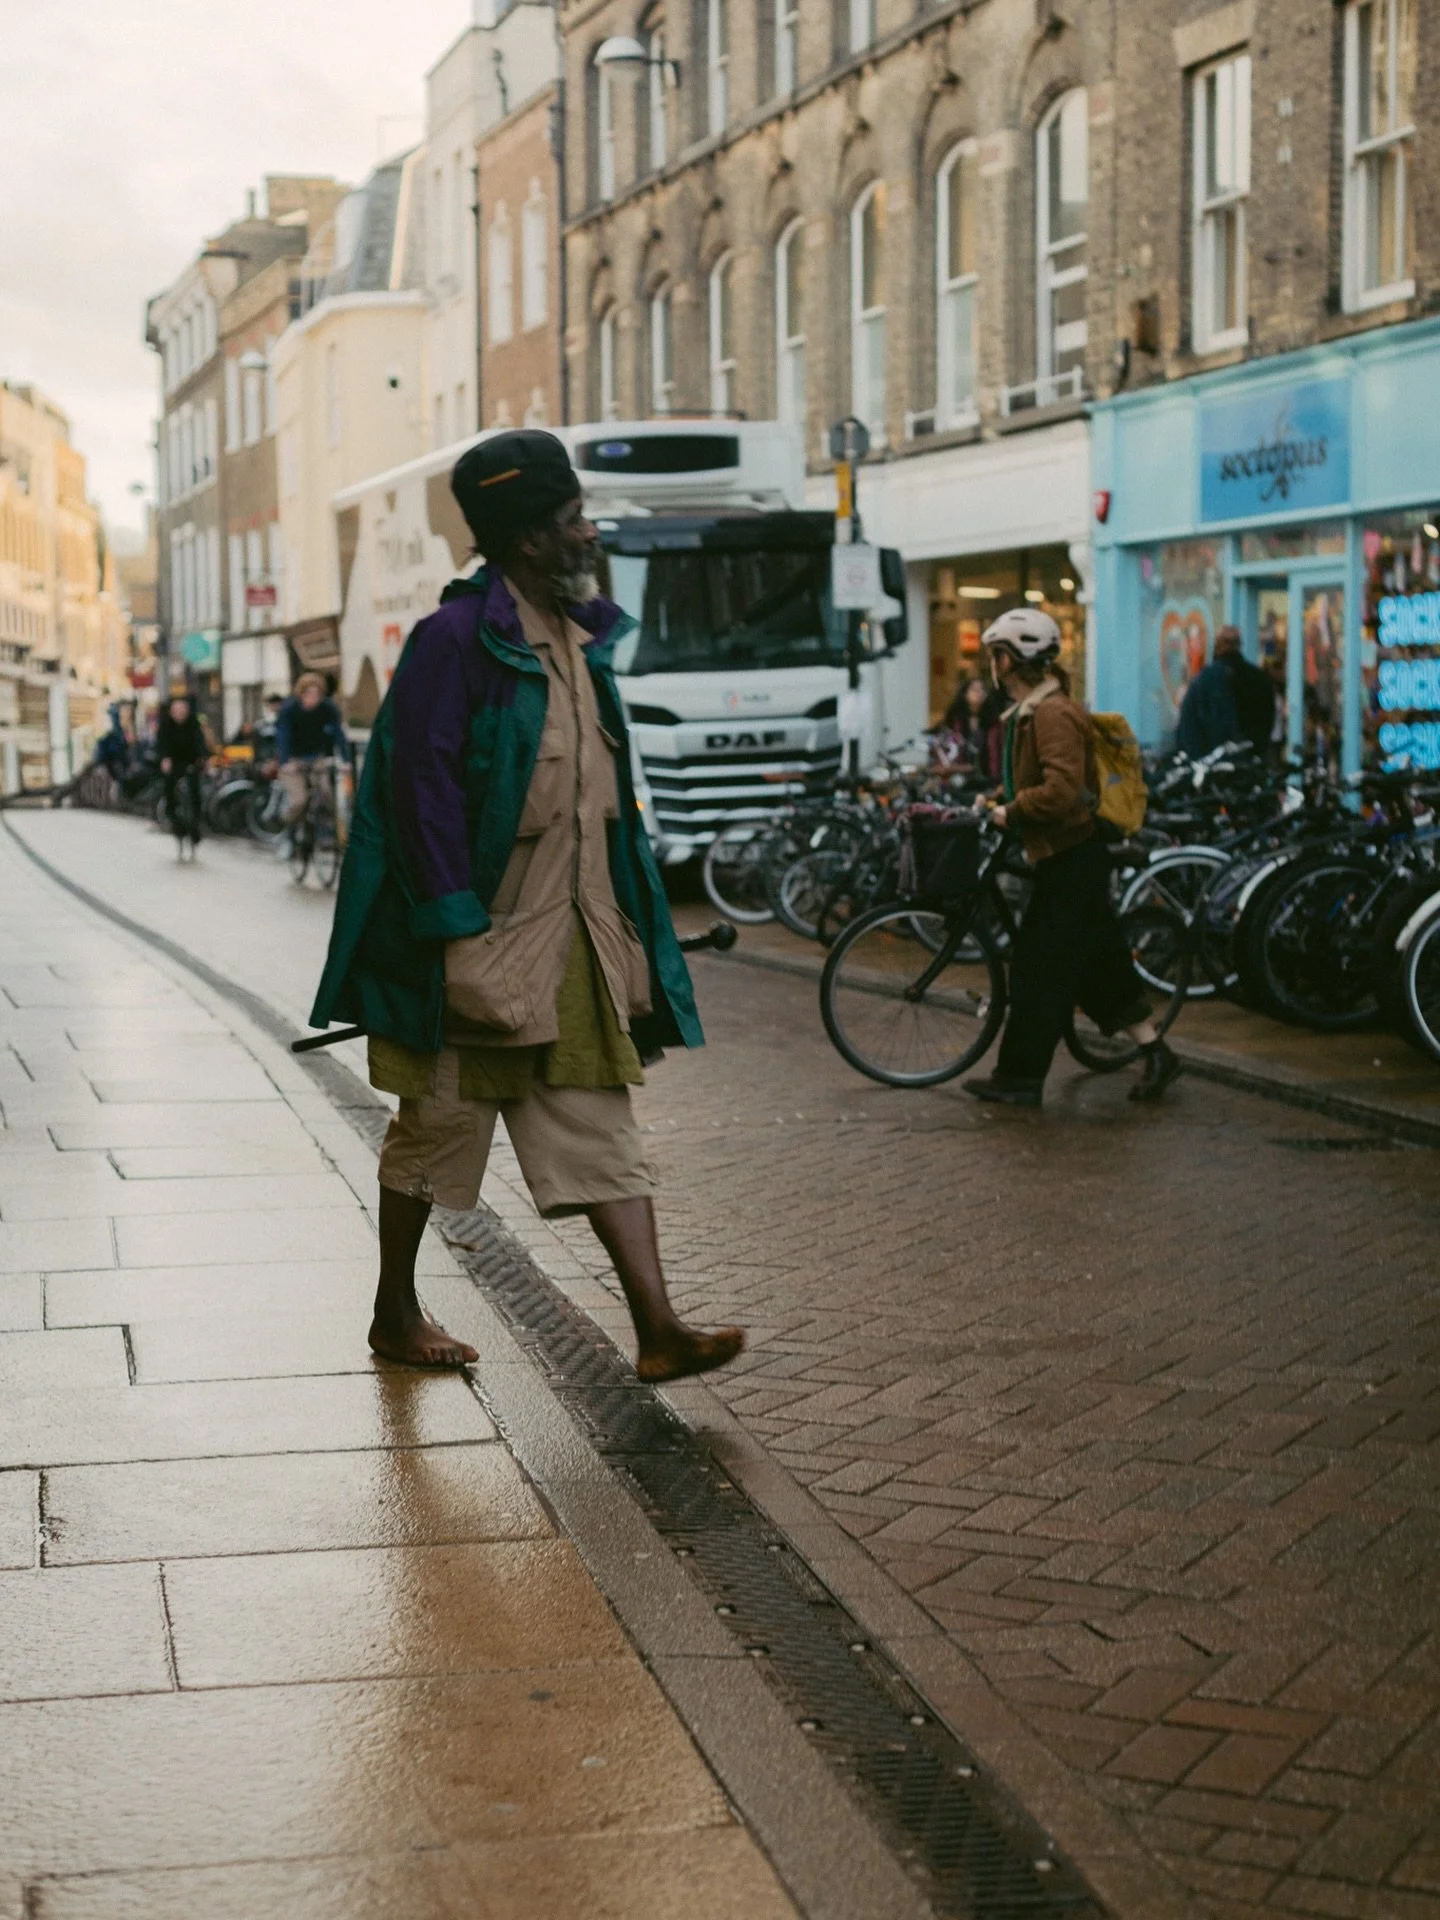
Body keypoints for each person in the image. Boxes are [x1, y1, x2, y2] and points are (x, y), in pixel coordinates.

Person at [310, 429, 746, 1379]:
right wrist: (456, 933)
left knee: (601, 1124)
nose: (590, 533)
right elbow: (415, 793)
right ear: (528, 539)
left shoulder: (579, 639)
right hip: (480, 941)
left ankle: (659, 1326)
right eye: (572, 519)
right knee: (435, 1136)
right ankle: (394, 1311)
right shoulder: (453, 642)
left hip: (577, 937)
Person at [963, 607, 1183, 1109]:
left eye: (996, 655)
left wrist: (1011, 812)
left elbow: (1062, 790)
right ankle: (1158, 1054)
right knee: (1096, 965)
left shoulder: (1053, 713)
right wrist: (998, 796)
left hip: (1073, 857)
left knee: (1039, 971)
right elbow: (1040, 777)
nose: (991, 666)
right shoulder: (1033, 711)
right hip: (1064, 855)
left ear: (1011, 660)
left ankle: (1018, 1078)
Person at [1176, 626, 1275, 757]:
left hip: (1213, 762)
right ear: (1239, 645)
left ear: (1218, 645)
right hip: (1250, 760)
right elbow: (1267, 718)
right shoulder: (1259, 678)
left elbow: (1188, 726)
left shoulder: (1204, 679)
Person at [275, 674, 350, 846]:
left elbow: (339, 733)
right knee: (299, 800)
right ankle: (289, 832)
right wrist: (285, 761)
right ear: (301, 694)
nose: (313, 699)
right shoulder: (290, 709)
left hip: (316, 757)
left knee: (326, 792)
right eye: (309, 694)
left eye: (317, 695)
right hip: (293, 760)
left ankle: (325, 832)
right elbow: (283, 736)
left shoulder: (328, 708)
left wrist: (346, 760)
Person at [155, 693, 208, 857]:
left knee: (195, 794)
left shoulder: (193, 723)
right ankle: (175, 825)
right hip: (173, 763)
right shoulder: (165, 726)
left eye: (183, 709)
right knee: (169, 792)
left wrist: (203, 758)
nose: (180, 713)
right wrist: (164, 759)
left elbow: (200, 742)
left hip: (190, 763)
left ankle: (195, 828)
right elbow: (161, 744)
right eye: (176, 710)